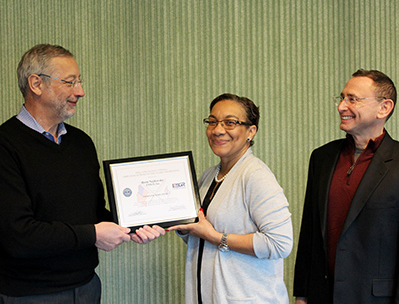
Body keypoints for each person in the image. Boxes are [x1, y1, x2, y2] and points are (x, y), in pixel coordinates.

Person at [0, 44, 164, 303]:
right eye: (70, 82)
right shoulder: (5, 145)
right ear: (35, 84)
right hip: (30, 294)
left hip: (87, 286)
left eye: (79, 81)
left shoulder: (81, 143)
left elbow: (95, 214)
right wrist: (94, 235)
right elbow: (18, 235)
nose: (80, 91)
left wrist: (134, 225)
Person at [168, 93, 293, 303]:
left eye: (230, 122)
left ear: (250, 132)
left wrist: (217, 237)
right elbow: (200, 234)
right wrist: (183, 227)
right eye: (213, 121)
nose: (218, 130)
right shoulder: (208, 176)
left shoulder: (256, 175)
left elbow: (280, 243)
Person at [294, 69, 399, 303]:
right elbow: (310, 233)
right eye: (342, 98)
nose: (342, 106)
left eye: (353, 99)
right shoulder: (322, 157)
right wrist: (302, 294)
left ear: (384, 107)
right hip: (323, 296)